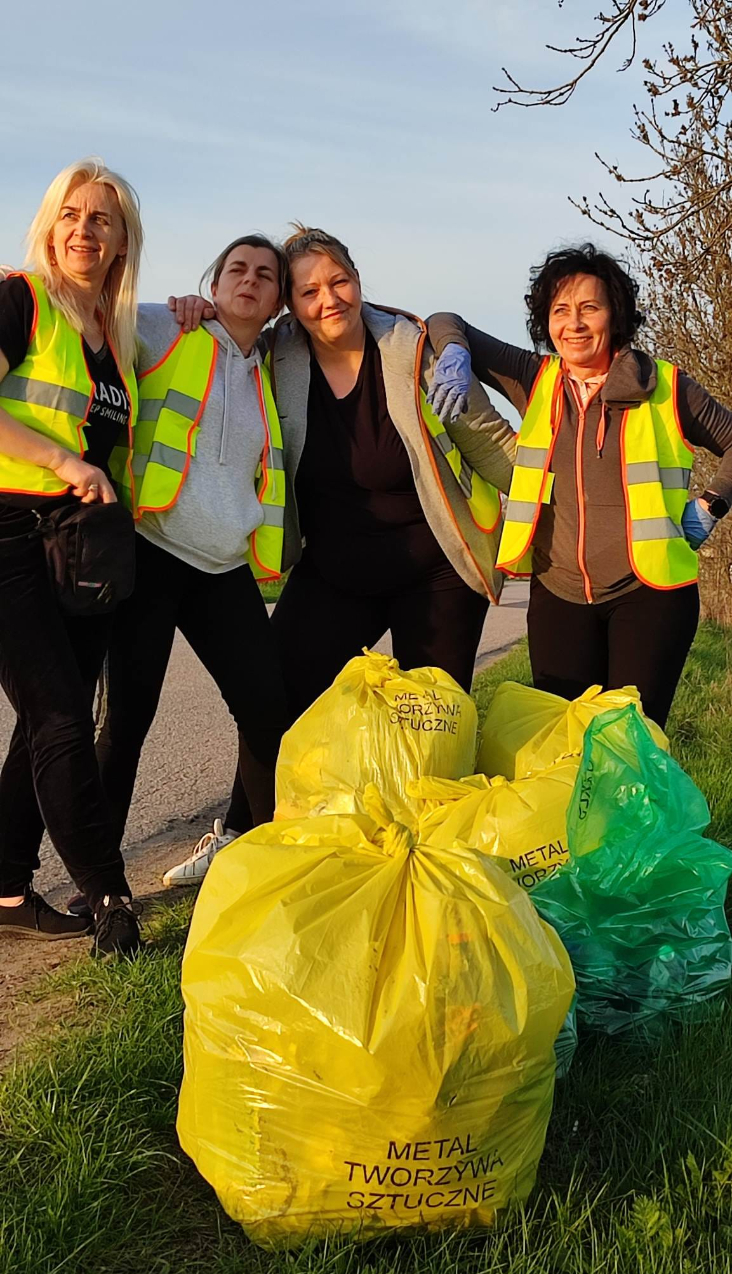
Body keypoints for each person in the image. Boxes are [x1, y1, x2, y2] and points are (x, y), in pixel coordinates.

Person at [167, 224, 516, 882]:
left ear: (357, 280)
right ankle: (240, 835)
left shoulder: (413, 349)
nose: (329, 299)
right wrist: (198, 308)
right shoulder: (279, 356)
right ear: (290, 306)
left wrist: (561, 503)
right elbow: (229, 334)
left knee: (433, 721)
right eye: (309, 291)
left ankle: (435, 861)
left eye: (339, 281)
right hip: (334, 570)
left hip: (434, 571)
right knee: (273, 694)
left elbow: (493, 444)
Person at [426, 243, 732, 727]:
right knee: (563, 750)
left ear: (615, 315)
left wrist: (712, 503)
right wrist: (456, 353)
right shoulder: (534, 377)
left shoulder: (668, 387)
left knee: (630, 750)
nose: (574, 323)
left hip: (650, 595)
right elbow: (445, 319)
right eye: (560, 310)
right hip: (558, 594)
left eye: (590, 307)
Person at [83, 236, 293, 898]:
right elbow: (84, 317)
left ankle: (257, 858)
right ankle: (102, 885)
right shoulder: (164, 327)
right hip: (150, 553)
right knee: (126, 723)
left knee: (267, 708)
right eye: (237, 269)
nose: (250, 280)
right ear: (213, 281)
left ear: (278, 300)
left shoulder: (269, 368)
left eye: (266, 275)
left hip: (223, 567)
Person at [0, 158, 143, 955]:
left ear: (123, 240)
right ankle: (108, 891)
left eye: (102, 219)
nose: (84, 231)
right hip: (7, 531)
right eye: (72, 215)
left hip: (80, 546)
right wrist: (63, 463)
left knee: (44, 719)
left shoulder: (112, 338)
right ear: (49, 225)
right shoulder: (17, 299)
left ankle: (7, 884)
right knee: (59, 715)